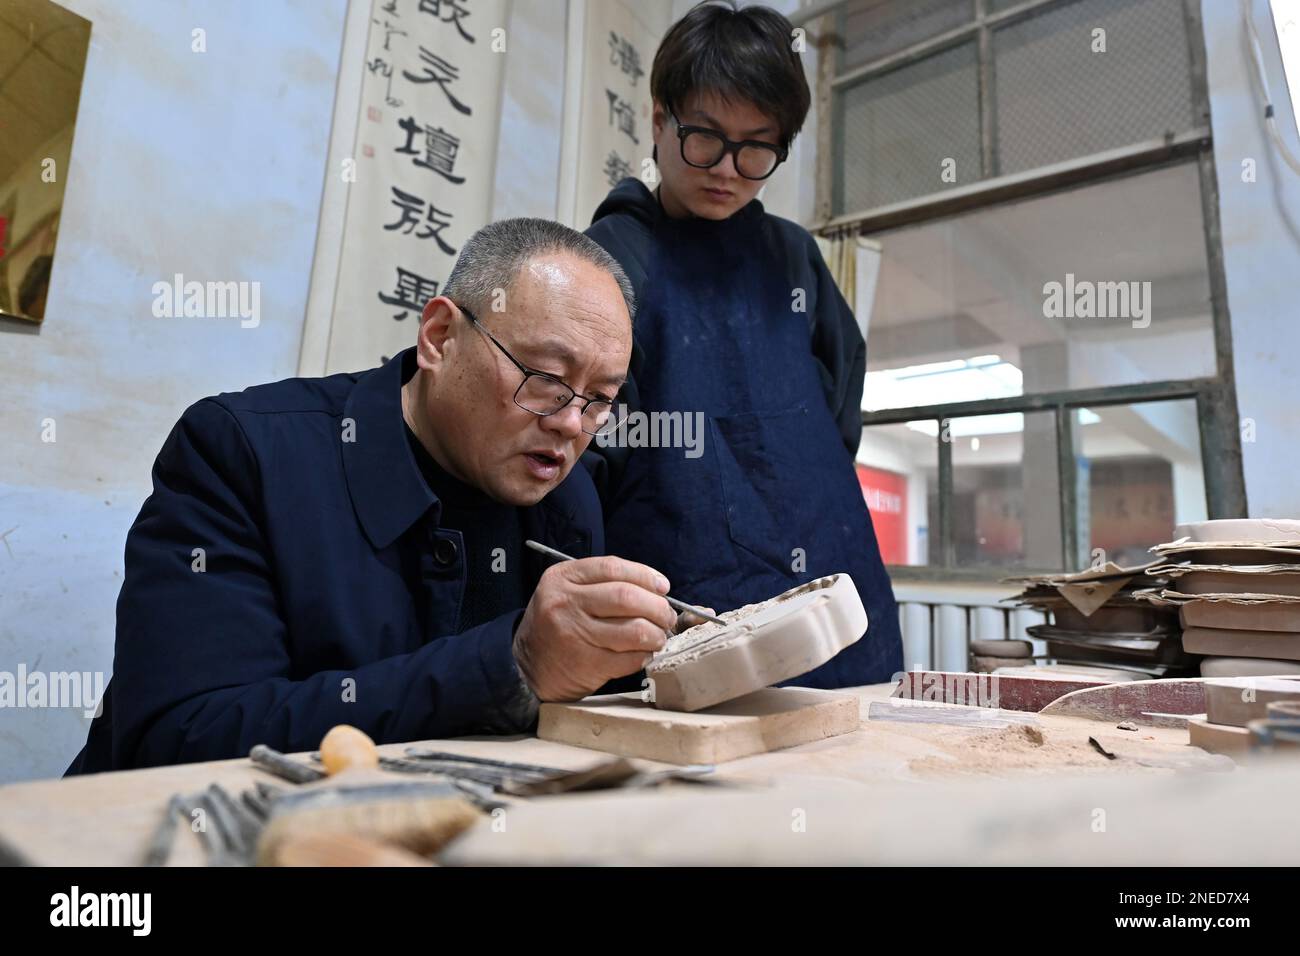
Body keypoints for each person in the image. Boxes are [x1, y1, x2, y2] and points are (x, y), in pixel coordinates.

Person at [66, 218, 682, 773]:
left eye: (599, 399)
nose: (571, 424)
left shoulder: (570, 501)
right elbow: (181, 738)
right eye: (545, 379)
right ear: (440, 337)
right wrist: (511, 666)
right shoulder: (245, 454)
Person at [583, 0, 903, 688]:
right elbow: (588, 443)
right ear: (660, 120)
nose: (728, 169)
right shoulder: (614, 255)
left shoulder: (793, 255)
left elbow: (840, 401)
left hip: (832, 569)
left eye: (757, 147)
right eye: (706, 137)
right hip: (683, 574)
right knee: (707, 763)